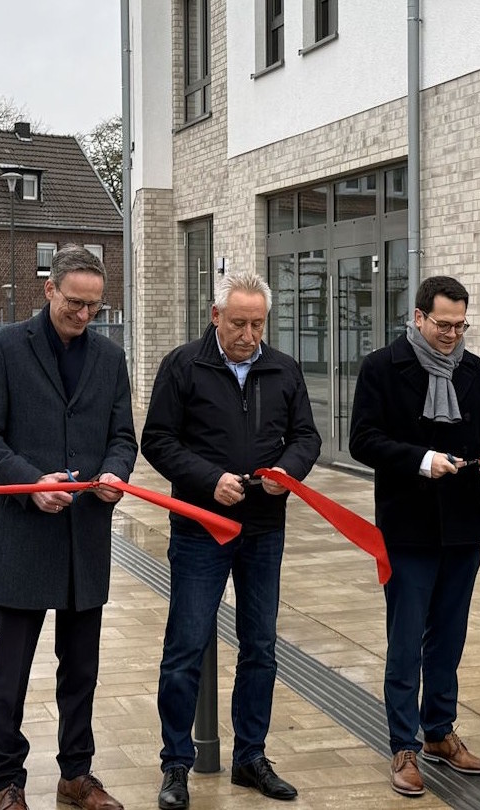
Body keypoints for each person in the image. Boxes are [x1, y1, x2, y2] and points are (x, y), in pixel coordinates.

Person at [141, 269, 322, 810]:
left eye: (258, 324)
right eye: (239, 323)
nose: (249, 334)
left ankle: (251, 756)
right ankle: (176, 764)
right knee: (186, 646)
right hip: (200, 527)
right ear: (215, 316)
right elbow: (158, 440)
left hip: (264, 529)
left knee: (260, 646)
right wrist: (207, 480)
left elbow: (307, 436)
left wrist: (287, 470)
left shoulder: (283, 368)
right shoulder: (182, 366)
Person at [0, 246, 138, 810]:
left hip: (84, 538)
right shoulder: (2, 349)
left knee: (81, 669)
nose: (84, 315)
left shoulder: (110, 358)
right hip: (23, 537)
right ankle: (7, 781)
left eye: (94, 306)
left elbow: (122, 437)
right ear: (49, 290)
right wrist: (29, 483)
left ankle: (76, 775)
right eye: (74, 303)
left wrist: (115, 472)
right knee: (11, 669)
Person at [349, 276, 480, 797]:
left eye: (461, 326)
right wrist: (421, 460)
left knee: (449, 635)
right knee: (406, 640)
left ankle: (439, 731)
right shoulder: (381, 366)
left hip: (462, 524)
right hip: (408, 525)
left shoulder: (473, 369)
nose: (453, 335)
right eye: (444, 325)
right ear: (418, 317)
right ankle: (404, 745)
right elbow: (362, 440)